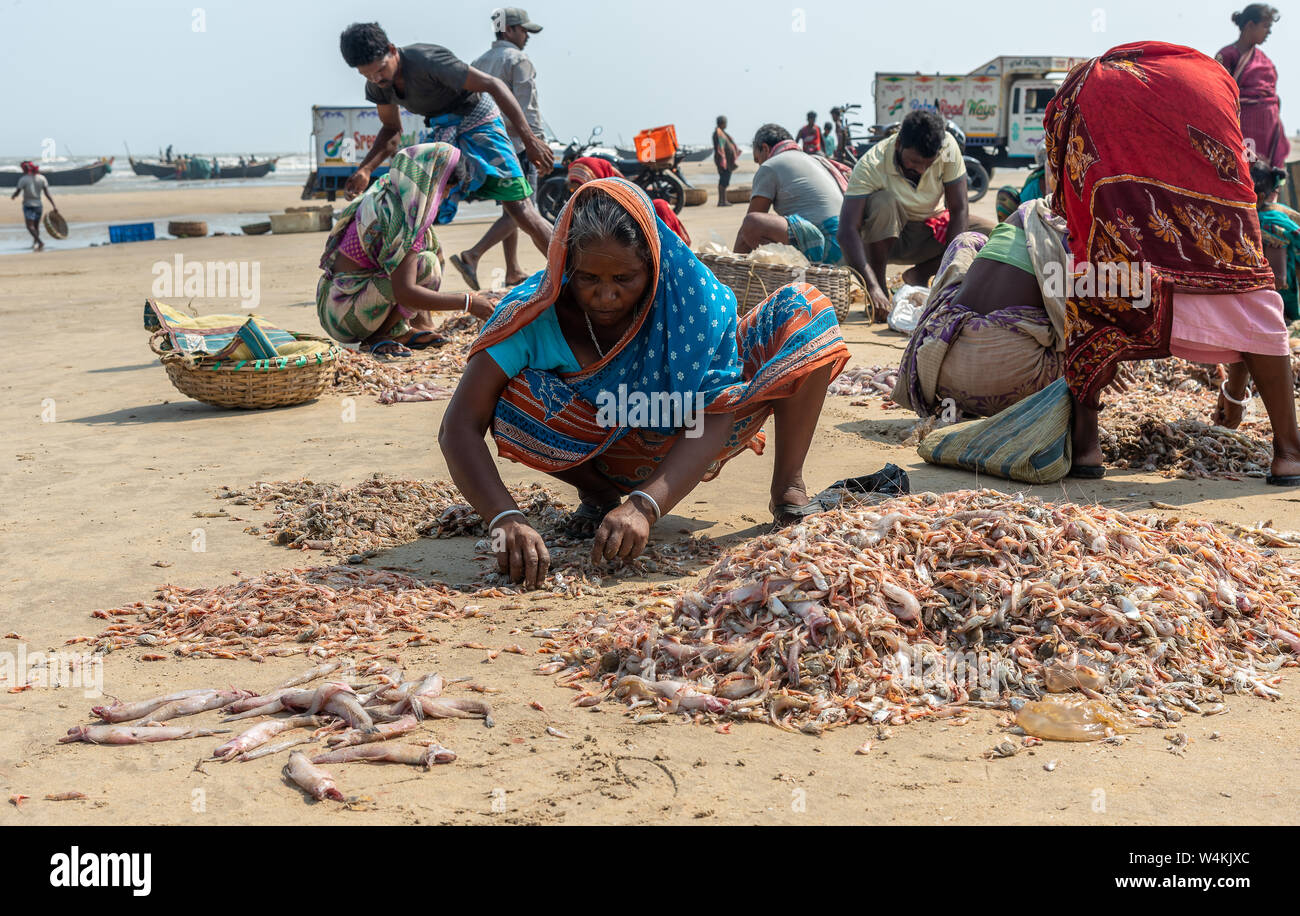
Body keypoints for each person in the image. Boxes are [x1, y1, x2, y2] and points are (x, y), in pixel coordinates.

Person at [438, 178, 850, 586]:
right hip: (597, 447)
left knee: (803, 307)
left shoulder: (691, 301)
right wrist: (504, 519)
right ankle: (599, 496)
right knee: (511, 399)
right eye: (588, 279)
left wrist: (645, 506)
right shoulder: (531, 316)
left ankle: (788, 489)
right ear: (566, 266)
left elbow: (715, 413)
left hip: (702, 431)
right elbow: (458, 427)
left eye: (624, 279)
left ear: (653, 264)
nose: (605, 296)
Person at [1044, 40, 1300, 484]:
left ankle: (1086, 449)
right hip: (1219, 228)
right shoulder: (1209, 80)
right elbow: (1246, 310)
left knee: (1090, 290)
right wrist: (1234, 395)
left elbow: (1072, 182)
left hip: (1121, 253)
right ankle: (1290, 454)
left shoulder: (1087, 87)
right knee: (1249, 292)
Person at [338, 21, 554, 265]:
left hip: (479, 121)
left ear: (392, 49)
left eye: (380, 69)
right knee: (416, 207)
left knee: (519, 208)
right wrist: (365, 169)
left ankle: (569, 272)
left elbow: (494, 84)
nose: (376, 78)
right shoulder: (379, 88)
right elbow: (391, 130)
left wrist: (530, 139)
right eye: (366, 74)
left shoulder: (427, 61)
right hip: (444, 131)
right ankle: (422, 278)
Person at [894, 186, 1070, 419]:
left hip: (938, 373)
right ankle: (1083, 440)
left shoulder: (1021, 214)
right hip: (1015, 383)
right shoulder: (1073, 233)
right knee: (1080, 323)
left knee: (967, 240)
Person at [316, 143, 500, 357]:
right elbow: (405, 291)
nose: (445, 197)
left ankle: (414, 326)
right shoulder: (400, 216)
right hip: (345, 313)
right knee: (426, 265)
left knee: (431, 248)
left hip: (336, 300)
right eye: (445, 189)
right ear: (430, 182)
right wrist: (468, 302)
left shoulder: (389, 191)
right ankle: (380, 336)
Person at [838, 109, 968, 321]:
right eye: (915, 162)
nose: (922, 170)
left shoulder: (948, 147)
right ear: (898, 144)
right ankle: (880, 293)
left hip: (930, 233)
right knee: (883, 202)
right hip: (889, 239)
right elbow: (846, 231)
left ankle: (919, 274)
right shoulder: (872, 163)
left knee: (985, 236)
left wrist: (948, 275)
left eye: (929, 163)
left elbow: (959, 208)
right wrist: (872, 287)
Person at [456, 8, 546, 291]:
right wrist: (538, 143)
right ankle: (473, 254)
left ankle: (513, 269)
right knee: (524, 209)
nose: (527, 37)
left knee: (511, 208)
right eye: (523, 31)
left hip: (489, 149)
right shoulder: (518, 60)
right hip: (518, 145)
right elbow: (526, 106)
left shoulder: (478, 62)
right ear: (509, 31)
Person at [734, 123, 848, 264]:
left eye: (757, 159)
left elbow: (745, 233)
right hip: (850, 247)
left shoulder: (770, 166)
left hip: (828, 248)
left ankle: (806, 271)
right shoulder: (814, 160)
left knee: (752, 223)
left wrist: (732, 266)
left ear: (765, 148)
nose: (759, 164)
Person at [1216, 5, 1288, 169]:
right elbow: (1217, 93)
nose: (1269, 32)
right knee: (1245, 174)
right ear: (1250, 25)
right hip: (1243, 129)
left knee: (1267, 179)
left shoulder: (1264, 60)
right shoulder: (1227, 56)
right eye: (1266, 26)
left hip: (1268, 132)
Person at [566, 156, 691, 244]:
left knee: (660, 206)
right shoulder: (580, 210)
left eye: (583, 187)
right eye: (575, 189)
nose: (578, 194)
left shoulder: (611, 206)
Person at [996, 144, 1048, 222]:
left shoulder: (1035, 180)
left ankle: (1006, 225)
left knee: (1005, 192)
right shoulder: (1065, 175)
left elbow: (1024, 205)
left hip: (1032, 222)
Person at [11, 162, 56, 251]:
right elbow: (47, 194)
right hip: (38, 205)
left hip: (29, 206)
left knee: (29, 226)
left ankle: (39, 242)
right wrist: (54, 205)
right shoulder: (42, 178)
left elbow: (18, 191)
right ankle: (35, 243)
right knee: (36, 226)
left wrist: (14, 196)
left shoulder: (23, 179)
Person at [713, 115, 740, 207]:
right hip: (723, 161)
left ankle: (723, 200)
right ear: (722, 123)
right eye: (725, 123)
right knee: (723, 181)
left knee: (725, 181)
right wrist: (722, 160)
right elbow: (719, 148)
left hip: (727, 161)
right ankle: (721, 201)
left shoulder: (722, 133)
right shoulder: (718, 133)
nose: (726, 125)